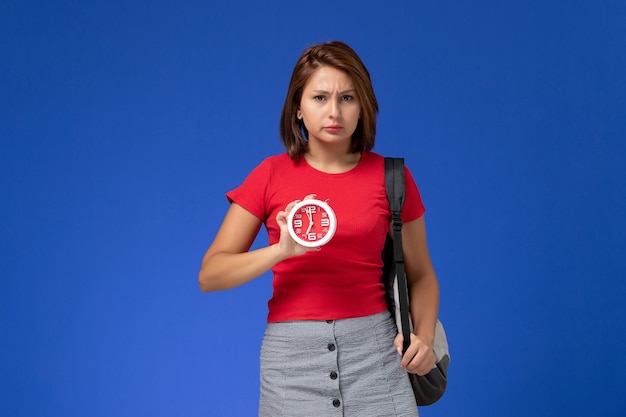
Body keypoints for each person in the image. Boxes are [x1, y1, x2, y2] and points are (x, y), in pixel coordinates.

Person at [198, 40, 440, 417]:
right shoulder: (270, 175)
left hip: (376, 356)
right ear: (297, 107)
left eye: (347, 98)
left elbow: (421, 274)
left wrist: (423, 337)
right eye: (319, 97)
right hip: (291, 363)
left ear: (363, 107)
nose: (334, 111)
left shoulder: (392, 177)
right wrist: (280, 251)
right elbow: (210, 275)